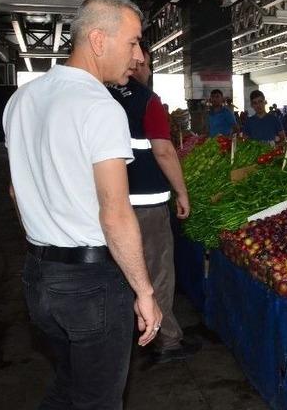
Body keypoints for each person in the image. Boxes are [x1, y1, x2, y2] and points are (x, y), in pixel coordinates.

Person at [3, 0, 162, 409]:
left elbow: (17, 191)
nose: (140, 56)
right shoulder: (99, 107)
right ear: (98, 40)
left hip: (39, 278)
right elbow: (115, 212)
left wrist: (48, 233)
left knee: (68, 386)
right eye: (133, 42)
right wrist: (144, 291)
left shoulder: (22, 100)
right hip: (90, 287)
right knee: (99, 400)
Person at [108, 43, 199, 364]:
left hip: (110, 205)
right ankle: (167, 340)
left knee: (120, 272)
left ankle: (123, 337)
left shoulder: (102, 97)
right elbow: (163, 151)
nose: (145, 69)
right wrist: (182, 192)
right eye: (145, 64)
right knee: (157, 272)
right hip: (146, 207)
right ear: (140, 65)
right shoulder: (148, 100)